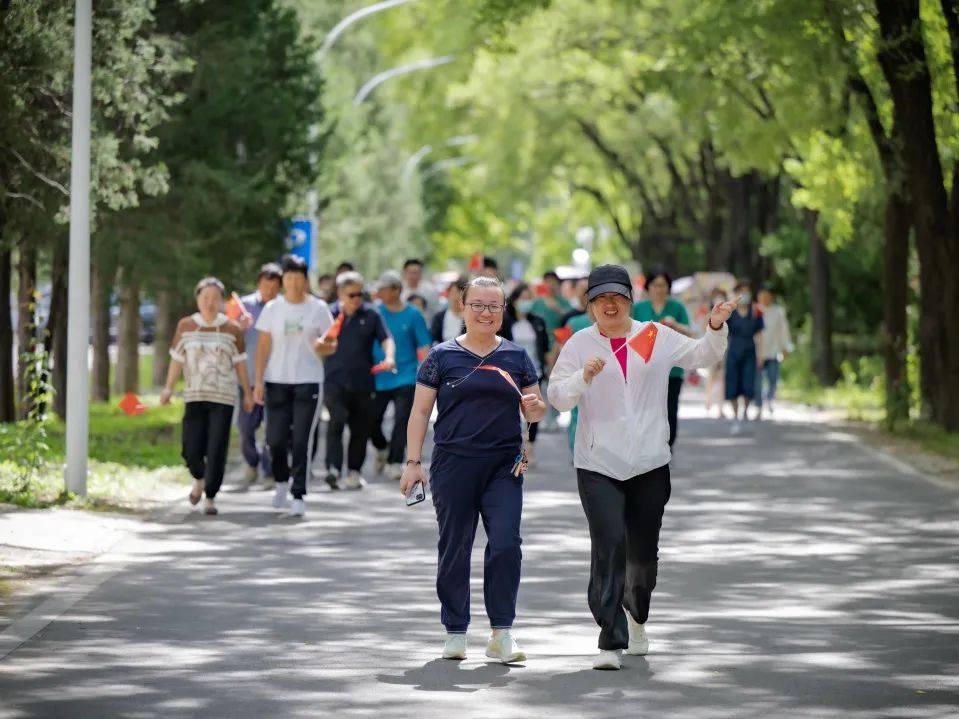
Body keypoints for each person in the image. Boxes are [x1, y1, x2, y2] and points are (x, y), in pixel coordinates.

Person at [547, 264, 733, 670]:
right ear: (590, 305)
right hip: (597, 463)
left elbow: (702, 355)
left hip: (650, 461)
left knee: (642, 556)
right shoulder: (580, 344)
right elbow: (557, 396)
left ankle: (636, 615)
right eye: (601, 298)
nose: (609, 305)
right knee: (609, 544)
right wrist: (582, 377)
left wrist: (715, 327)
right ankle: (609, 637)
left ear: (631, 299)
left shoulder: (653, 335)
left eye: (617, 297)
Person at [400, 276, 546, 664]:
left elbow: (535, 404)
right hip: (453, 464)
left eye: (494, 306)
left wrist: (536, 411)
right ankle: (455, 630)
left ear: (503, 311)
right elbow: (418, 412)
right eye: (478, 305)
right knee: (455, 546)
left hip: (504, 466)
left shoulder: (516, 356)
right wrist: (414, 463)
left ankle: (502, 631)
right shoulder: (441, 356)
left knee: (505, 544)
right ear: (462, 308)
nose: (486, 312)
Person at [162, 277, 253, 516]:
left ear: (222, 301)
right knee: (191, 449)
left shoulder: (232, 328)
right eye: (205, 298)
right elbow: (177, 359)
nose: (210, 303)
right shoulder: (186, 326)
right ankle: (199, 479)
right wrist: (168, 388)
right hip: (194, 396)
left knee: (216, 448)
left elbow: (241, 364)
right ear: (197, 299)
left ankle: (210, 496)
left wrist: (248, 393)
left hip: (223, 398)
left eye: (214, 298)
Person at [253, 255, 336, 517]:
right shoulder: (272, 309)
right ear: (283, 281)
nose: (293, 283)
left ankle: (298, 493)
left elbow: (332, 343)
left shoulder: (318, 308)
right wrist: (257, 381)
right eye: (288, 278)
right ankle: (280, 481)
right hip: (276, 380)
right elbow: (263, 347)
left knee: (301, 440)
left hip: (308, 380)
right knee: (275, 440)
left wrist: (324, 346)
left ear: (305, 280)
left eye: (298, 278)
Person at [323, 271, 395, 490]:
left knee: (360, 428)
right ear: (340, 294)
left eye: (360, 294)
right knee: (336, 421)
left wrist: (389, 357)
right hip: (334, 380)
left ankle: (354, 471)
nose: (357, 299)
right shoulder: (328, 314)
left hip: (363, 382)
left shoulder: (371, 315)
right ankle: (333, 470)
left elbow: (386, 339)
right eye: (351, 294)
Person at [371, 271, 432, 479]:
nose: (379, 292)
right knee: (371, 421)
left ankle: (394, 461)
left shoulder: (413, 315)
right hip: (378, 376)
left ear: (396, 290)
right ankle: (382, 447)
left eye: (383, 289)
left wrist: (428, 376)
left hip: (406, 376)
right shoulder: (375, 313)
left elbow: (424, 347)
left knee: (402, 419)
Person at [631, 269, 694, 448]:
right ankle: (647, 444)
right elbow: (628, 335)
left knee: (669, 408)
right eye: (655, 285)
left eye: (663, 285)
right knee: (645, 408)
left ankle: (667, 444)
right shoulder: (638, 308)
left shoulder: (677, 307)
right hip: (644, 369)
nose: (659, 289)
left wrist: (674, 325)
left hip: (672, 370)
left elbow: (690, 332)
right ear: (648, 287)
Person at [236, 263, 283, 489]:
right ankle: (251, 462)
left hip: (275, 379)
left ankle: (269, 470)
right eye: (267, 285)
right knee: (245, 428)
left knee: (271, 430)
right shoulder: (244, 306)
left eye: (275, 286)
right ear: (258, 284)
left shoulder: (283, 308)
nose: (270, 290)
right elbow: (229, 336)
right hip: (247, 379)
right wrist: (239, 327)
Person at [500, 283, 549, 464]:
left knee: (533, 408)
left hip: (534, 371)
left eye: (530, 298)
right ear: (514, 300)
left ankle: (529, 446)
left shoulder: (537, 321)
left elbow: (544, 348)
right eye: (523, 298)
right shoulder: (504, 321)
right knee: (510, 410)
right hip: (510, 373)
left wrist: (548, 369)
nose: (527, 302)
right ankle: (511, 446)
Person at [724, 281, 764, 432]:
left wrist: (761, 354)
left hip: (750, 350)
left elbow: (760, 335)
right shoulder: (730, 313)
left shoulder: (755, 312)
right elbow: (723, 334)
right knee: (732, 383)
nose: (745, 295)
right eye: (742, 291)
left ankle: (745, 411)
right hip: (733, 350)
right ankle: (735, 416)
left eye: (747, 291)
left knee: (748, 382)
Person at [754, 287, 792, 418]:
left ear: (771, 297)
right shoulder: (754, 310)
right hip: (757, 352)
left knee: (773, 378)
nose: (764, 298)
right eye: (762, 295)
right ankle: (758, 406)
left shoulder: (778, 312)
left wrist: (786, 347)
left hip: (773, 351)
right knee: (757, 381)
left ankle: (769, 399)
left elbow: (784, 331)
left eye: (767, 295)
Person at [430, 275, 467, 344]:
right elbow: (433, 338)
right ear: (449, 294)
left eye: (460, 294)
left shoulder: (469, 318)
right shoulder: (439, 317)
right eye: (454, 293)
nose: (457, 297)